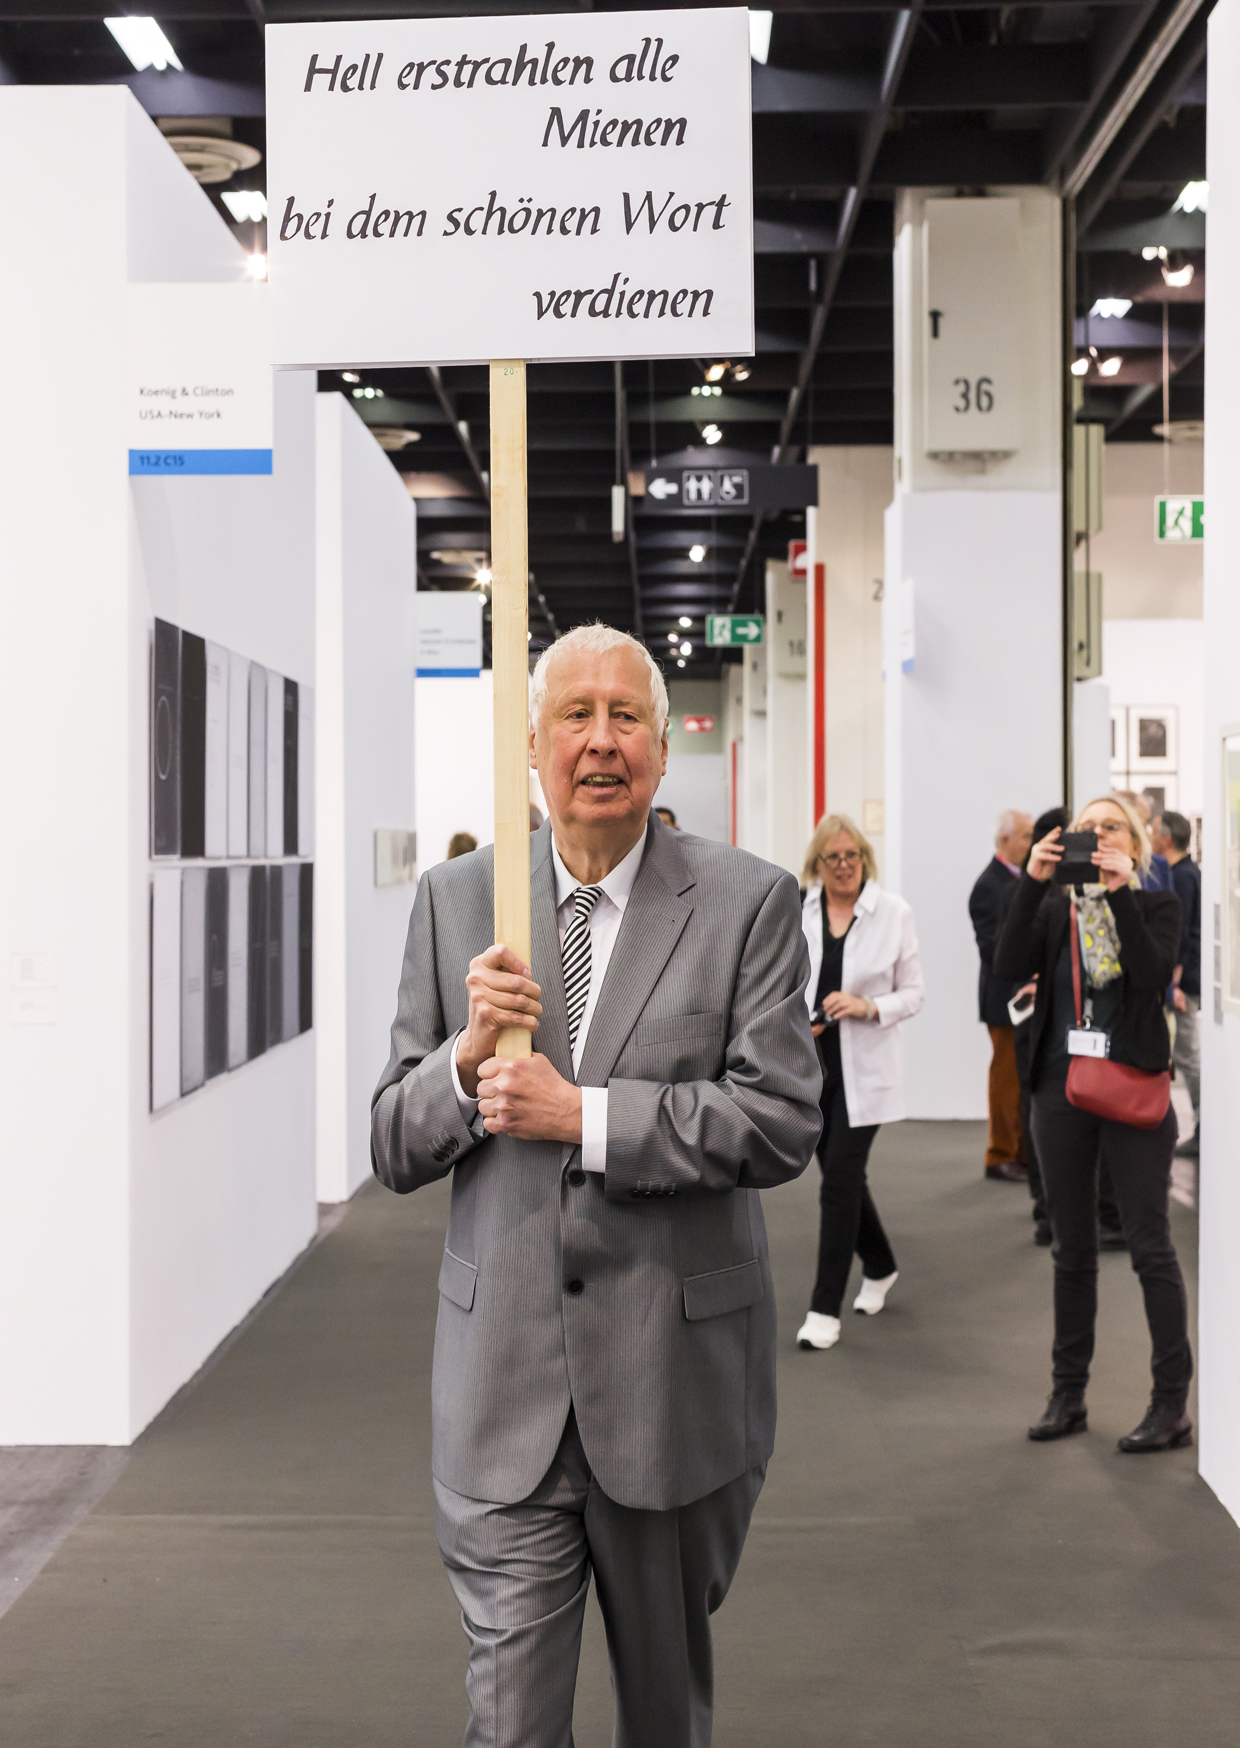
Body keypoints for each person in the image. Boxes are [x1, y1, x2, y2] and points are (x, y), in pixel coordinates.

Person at [371, 622, 822, 1748]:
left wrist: (588, 1116)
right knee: (510, 1726)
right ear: (532, 745)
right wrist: (464, 1060)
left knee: (663, 1719)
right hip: (503, 1393)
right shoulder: (457, 901)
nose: (601, 739)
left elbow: (780, 1121)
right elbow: (391, 1141)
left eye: (627, 716)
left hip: (673, 1390)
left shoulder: (748, 901)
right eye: (575, 714)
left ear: (663, 749)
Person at [995, 794, 1192, 1453]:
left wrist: (1118, 893)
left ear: (1134, 843)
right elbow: (1006, 968)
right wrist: (1033, 880)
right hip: (1060, 1090)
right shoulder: (1056, 909)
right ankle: (1067, 1393)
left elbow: (1151, 974)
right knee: (1071, 1249)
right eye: (1087, 828)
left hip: (1134, 1090)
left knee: (1150, 1246)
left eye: (1111, 827)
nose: (1098, 835)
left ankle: (1171, 1404)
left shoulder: (1156, 904)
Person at [795, 813, 924, 1352]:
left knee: (838, 1184)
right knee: (841, 1177)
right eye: (833, 858)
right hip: (813, 1068)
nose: (844, 866)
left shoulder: (893, 913)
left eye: (852, 857)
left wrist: (866, 1005)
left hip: (864, 1072)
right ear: (818, 864)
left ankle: (823, 1310)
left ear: (865, 860)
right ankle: (881, 1262)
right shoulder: (801, 909)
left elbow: (914, 994)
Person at [969, 810, 1034, 1184]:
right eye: (1026, 835)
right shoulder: (989, 885)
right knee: (1007, 1078)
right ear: (1005, 840)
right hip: (1004, 997)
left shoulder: (1019, 880)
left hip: (1020, 995)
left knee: (1022, 1077)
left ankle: (1021, 1152)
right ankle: (1000, 1154)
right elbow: (993, 950)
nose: (1031, 842)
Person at [1013, 806, 1069, 1245]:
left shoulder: (1074, 892)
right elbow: (1005, 955)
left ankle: (1056, 1209)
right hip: (1033, 1021)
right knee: (1036, 1110)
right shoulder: (1030, 890)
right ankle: (1045, 1208)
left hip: (1063, 1025)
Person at [1152, 810, 1201, 1160]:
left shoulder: (1181, 876)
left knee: (1186, 1055)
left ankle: (1204, 1128)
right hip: (1183, 980)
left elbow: (1179, 933)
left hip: (1182, 982)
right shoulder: (1188, 872)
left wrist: (1175, 982)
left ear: (1166, 838)